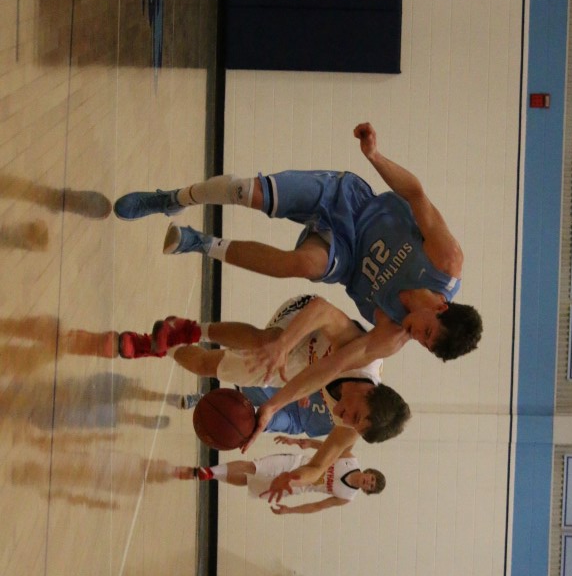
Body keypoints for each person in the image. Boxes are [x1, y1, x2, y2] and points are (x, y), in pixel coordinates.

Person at [113, 124, 483, 421]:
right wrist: (374, 155)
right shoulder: (445, 261)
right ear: (441, 308)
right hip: (350, 201)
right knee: (248, 191)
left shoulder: (392, 335)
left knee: (302, 264)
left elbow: (331, 368)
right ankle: (173, 199)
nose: (416, 336)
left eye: (424, 344)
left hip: (340, 256)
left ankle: (200, 243)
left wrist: (273, 405)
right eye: (427, 331)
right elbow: (416, 193)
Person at [117, 294, 411, 450]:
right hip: (307, 324)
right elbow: (322, 309)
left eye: (353, 424)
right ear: (370, 390)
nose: (345, 420)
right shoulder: (364, 354)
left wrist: (274, 409)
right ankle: (191, 330)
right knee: (268, 342)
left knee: (206, 366)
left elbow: (318, 380)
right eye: (355, 416)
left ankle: (159, 345)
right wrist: (284, 345)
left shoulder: (345, 421)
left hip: (302, 365)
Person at [174, 441, 386, 515]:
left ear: (366, 490)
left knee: (249, 482)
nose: (369, 482)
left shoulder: (346, 497)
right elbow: (326, 446)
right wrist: (302, 441)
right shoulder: (350, 459)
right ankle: (208, 471)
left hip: (297, 487)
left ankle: (212, 476)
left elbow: (317, 506)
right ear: (369, 472)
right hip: (294, 464)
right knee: (254, 467)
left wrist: (290, 510)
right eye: (372, 478)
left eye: (371, 486)